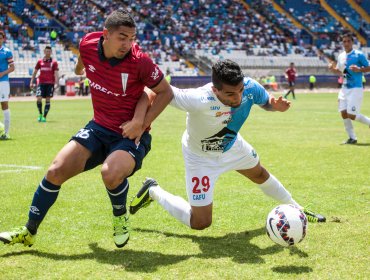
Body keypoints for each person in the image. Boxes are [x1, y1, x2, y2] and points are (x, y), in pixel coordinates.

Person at [0, 10, 173, 248]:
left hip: (128, 134)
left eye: (132, 38)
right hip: (98, 127)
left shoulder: (139, 61)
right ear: (106, 35)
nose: (128, 44)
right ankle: (28, 232)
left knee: (109, 173)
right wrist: (82, 69)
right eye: (122, 37)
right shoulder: (88, 43)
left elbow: (165, 92)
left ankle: (120, 216)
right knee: (55, 171)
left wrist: (140, 124)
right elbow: (81, 63)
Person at [129, 60, 326, 234]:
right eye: (230, 94)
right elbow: (153, 90)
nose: (238, 97)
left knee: (259, 174)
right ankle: (153, 190)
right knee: (200, 222)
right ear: (215, 90)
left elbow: (266, 102)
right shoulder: (198, 99)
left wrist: (275, 106)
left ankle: (297, 209)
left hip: (232, 147)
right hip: (200, 158)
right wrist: (141, 122)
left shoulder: (250, 87)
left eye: (240, 90)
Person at [328, 32, 370, 144]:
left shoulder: (359, 55)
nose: (346, 43)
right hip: (344, 88)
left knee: (352, 115)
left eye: (348, 41)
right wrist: (333, 69)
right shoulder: (341, 56)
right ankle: (352, 138)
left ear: (352, 42)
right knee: (343, 113)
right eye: (344, 41)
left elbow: (369, 67)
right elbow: (341, 72)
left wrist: (359, 69)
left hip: (355, 88)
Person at [30, 46, 59, 122]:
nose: (48, 53)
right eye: (46, 51)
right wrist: (31, 81)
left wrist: (57, 83)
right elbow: (35, 72)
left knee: (48, 99)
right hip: (41, 83)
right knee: (39, 98)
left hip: (50, 83)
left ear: (51, 52)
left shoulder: (54, 62)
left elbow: (56, 73)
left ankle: (44, 117)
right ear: (44, 52)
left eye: (49, 51)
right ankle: (40, 114)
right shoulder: (40, 61)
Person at [0, 31, 14, 140]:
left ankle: (6, 133)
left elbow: (12, 67)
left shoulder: (6, 52)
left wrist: (2, 73)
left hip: (3, 82)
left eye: (0, 38)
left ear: (3, 39)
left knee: (4, 106)